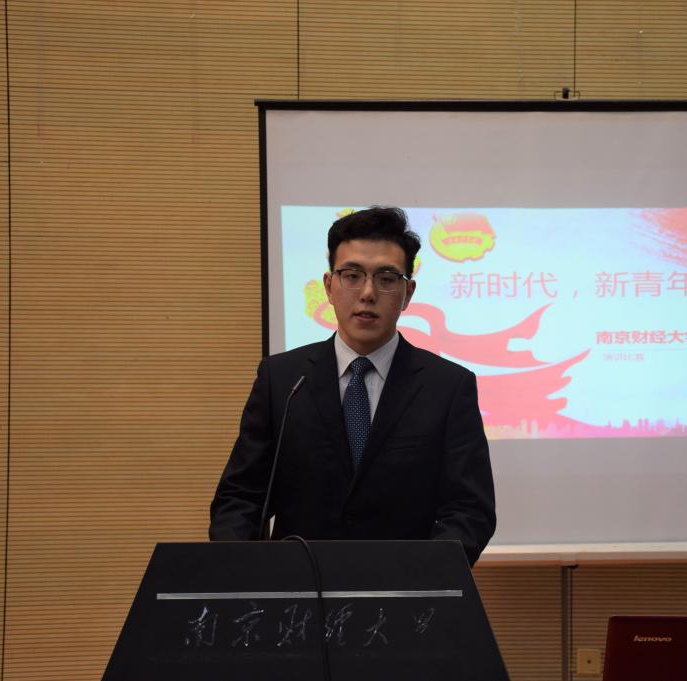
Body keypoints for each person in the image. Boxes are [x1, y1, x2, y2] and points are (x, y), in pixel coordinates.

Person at [209, 206, 496, 566]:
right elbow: (240, 498)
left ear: (407, 293)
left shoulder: (448, 387)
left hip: (405, 589)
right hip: (297, 588)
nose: (368, 293)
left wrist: (425, 574)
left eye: (386, 278)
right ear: (329, 286)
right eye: (352, 275)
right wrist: (245, 572)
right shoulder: (282, 380)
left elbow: (470, 510)